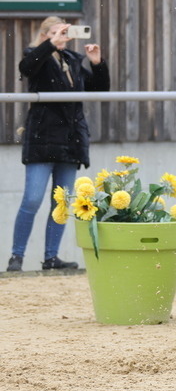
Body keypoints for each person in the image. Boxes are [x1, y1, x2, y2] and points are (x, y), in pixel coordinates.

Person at [7, 17, 110, 272]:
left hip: (71, 140)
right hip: (43, 137)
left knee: (62, 203)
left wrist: (97, 63)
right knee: (32, 200)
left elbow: (99, 90)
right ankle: (16, 257)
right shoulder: (36, 55)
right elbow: (27, 68)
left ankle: (51, 258)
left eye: (64, 32)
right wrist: (50, 45)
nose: (61, 36)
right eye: (55, 33)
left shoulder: (73, 60)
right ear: (44, 36)